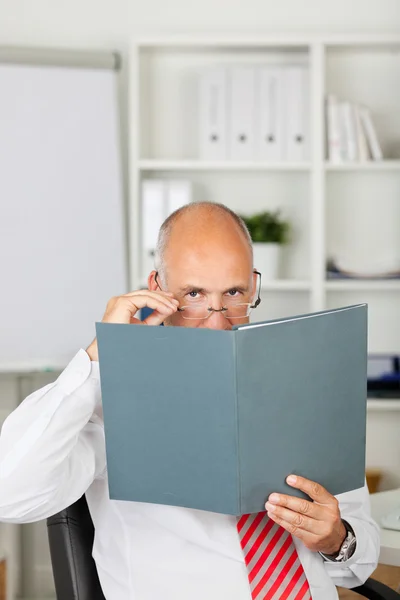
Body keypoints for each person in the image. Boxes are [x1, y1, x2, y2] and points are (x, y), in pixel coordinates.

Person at [0, 202, 379, 599]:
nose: (217, 323)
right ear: (157, 288)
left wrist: (337, 539)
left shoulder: (302, 386)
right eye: (194, 294)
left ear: (252, 286)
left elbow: (360, 559)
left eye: (233, 293)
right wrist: (100, 357)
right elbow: (11, 495)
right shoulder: (109, 402)